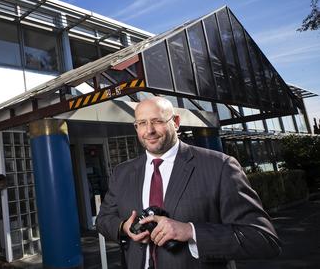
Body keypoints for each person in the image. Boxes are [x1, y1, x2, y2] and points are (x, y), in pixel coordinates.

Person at [96, 97, 280, 269]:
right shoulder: (122, 172)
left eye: (157, 121)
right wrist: (123, 227)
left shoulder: (219, 166)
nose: (149, 130)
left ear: (175, 122)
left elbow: (262, 239)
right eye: (142, 123)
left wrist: (191, 231)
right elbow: (104, 220)